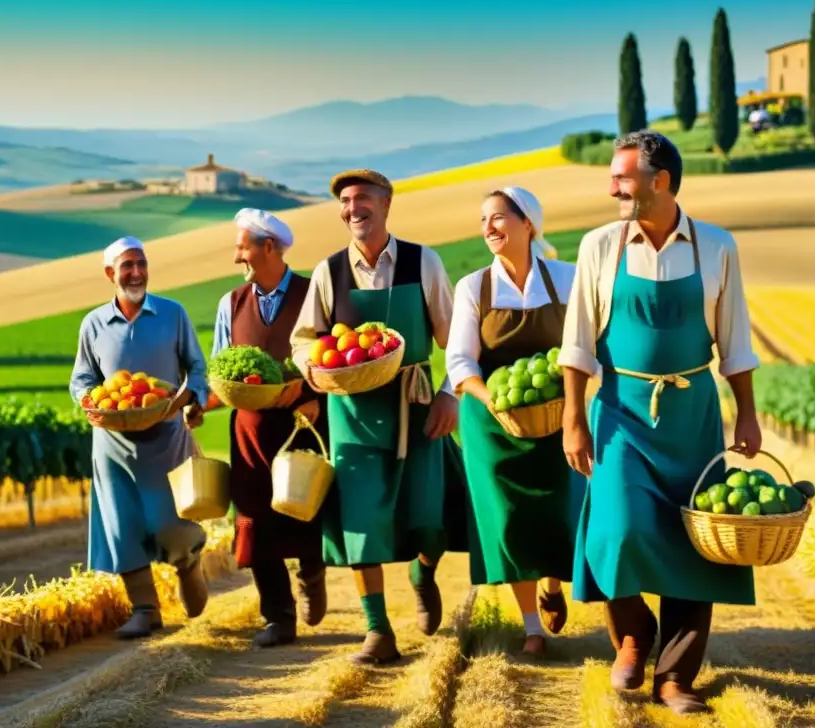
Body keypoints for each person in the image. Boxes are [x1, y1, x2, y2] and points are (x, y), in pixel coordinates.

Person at [558, 131, 762, 714]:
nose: (612, 186)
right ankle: (632, 635)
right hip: (621, 412)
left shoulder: (716, 246)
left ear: (660, 181)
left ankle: (676, 677)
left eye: (622, 177)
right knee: (615, 530)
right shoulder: (599, 246)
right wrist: (574, 418)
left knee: (696, 546)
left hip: (693, 415)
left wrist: (745, 414)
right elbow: (577, 343)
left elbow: (736, 341)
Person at [290, 168, 466, 666]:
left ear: (387, 204)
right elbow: (304, 339)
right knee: (359, 524)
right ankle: (377, 630)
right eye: (345, 201)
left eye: (363, 197)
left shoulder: (421, 262)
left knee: (428, 521)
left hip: (416, 408)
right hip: (352, 415)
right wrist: (313, 370)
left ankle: (423, 575)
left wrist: (450, 395)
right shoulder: (329, 271)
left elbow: (454, 341)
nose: (353, 208)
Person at [445, 186, 583, 657]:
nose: (489, 227)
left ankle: (550, 582)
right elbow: (461, 363)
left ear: (529, 225)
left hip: (559, 414)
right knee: (508, 521)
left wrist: (573, 405)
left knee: (559, 509)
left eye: (499, 217)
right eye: (483, 219)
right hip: (491, 421)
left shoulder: (568, 279)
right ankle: (532, 627)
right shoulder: (473, 288)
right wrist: (495, 404)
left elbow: (589, 348)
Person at [199, 208, 329, 648]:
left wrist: (313, 398)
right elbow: (221, 371)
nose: (238, 256)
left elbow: (335, 362)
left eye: (244, 246)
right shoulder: (230, 304)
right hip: (250, 431)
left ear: (268, 247)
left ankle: (313, 573)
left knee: (305, 509)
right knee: (254, 520)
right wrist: (200, 405)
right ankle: (278, 617)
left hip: (303, 425)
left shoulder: (315, 294)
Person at [70, 236, 211, 639]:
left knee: (171, 520)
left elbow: (196, 368)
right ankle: (145, 610)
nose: (136, 273)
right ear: (110, 274)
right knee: (123, 524)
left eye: (141, 264)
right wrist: (86, 400)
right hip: (112, 443)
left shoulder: (172, 314)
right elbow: (82, 378)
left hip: (165, 436)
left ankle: (187, 562)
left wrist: (188, 401)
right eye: (128, 265)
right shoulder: (93, 323)